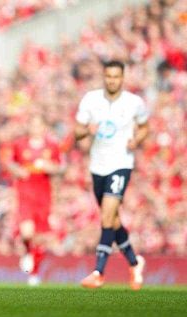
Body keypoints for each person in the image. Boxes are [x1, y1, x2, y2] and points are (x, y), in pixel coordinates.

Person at [74, 60, 148, 290]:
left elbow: (144, 126)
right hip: (98, 166)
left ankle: (99, 272)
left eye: (116, 77)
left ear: (122, 78)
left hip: (121, 164)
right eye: (108, 76)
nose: (112, 80)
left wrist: (137, 139)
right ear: (104, 77)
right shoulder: (91, 100)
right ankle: (135, 263)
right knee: (113, 221)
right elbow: (77, 132)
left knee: (106, 216)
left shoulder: (134, 103)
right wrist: (87, 130)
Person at [7, 115, 64, 286]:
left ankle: (34, 273)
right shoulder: (20, 144)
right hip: (25, 192)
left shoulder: (52, 146)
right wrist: (18, 171)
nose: (35, 128)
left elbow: (59, 167)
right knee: (26, 232)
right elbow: (10, 164)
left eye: (38, 125)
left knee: (40, 237)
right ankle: (26, 252)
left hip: (43, 194)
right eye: (32, 125)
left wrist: (49, 167)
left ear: (44, 127)